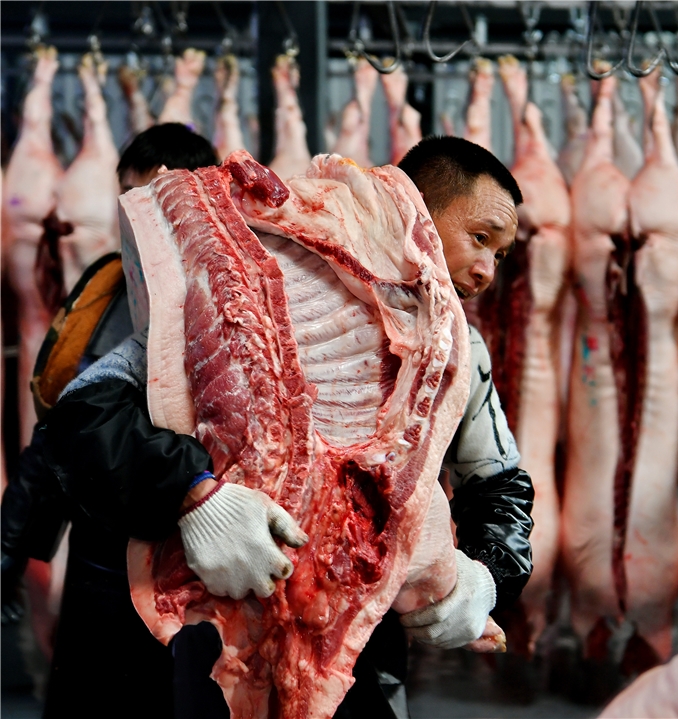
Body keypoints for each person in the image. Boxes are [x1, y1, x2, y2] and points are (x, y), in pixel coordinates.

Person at [39, 135, 534, 719]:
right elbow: (84, 412)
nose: (486, 270)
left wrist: (486, 578)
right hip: (214, 642)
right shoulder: (251, 284)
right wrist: (193, 496)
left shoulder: (460, 351)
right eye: (480, 238)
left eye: (501, 256)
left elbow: (502, 485)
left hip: (355, 645)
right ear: (417, 207)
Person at [0, 123, 220, 718]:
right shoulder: (104, 288)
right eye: (128, 197)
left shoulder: (226, 298)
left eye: (155, 201)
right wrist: (13, 542)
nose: (137, 217)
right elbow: (61, 427)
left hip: (196, 558)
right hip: (99, 562)